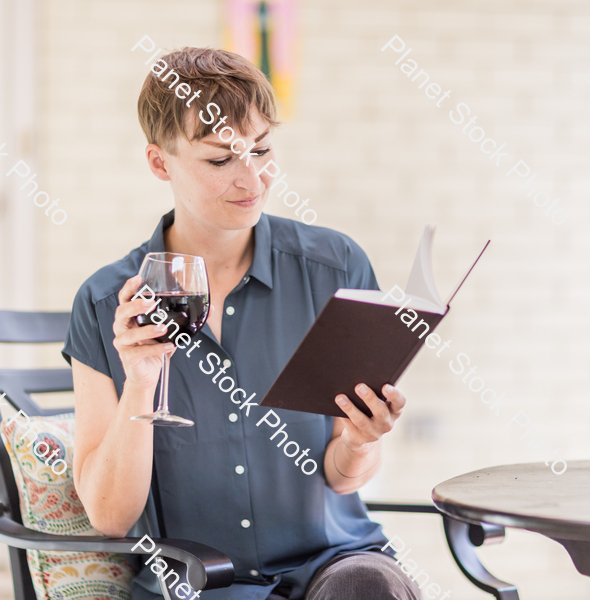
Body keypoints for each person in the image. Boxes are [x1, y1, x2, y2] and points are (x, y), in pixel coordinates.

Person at [62, 46, 420, 600]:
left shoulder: (336, 269)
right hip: (199, 584)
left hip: (333, 569)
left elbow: (343, 477)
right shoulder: (105, 302)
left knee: (367, 587)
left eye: (261, 150)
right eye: (219, 160)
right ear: (160, 163)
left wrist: (360, 440)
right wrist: (139, 382)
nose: (251, 177)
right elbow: (110, 517)